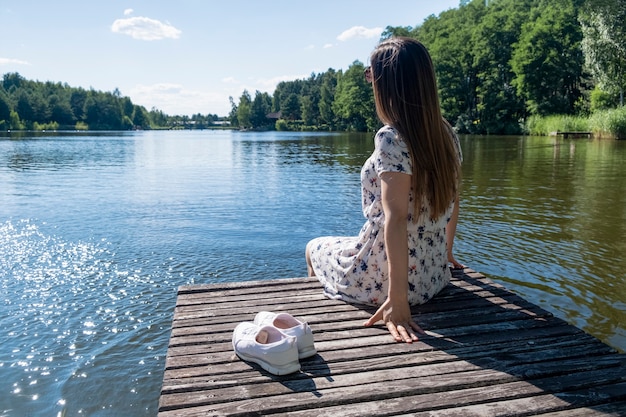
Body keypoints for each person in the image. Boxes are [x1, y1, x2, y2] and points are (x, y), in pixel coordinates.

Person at [305, 37, 463, 344]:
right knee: (347, 241)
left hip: (389, 279)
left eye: (371, 75)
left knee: (314, 247)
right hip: (434, 275)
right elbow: (453, 199)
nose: (370, 82)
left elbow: (396, 219)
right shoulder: (446, 133)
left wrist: (398, 301)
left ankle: (320, 311)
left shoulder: (391, 138)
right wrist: (445, 253)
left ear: (388, 85)